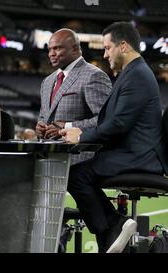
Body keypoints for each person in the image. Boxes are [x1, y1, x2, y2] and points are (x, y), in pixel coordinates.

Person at [61, 22, 168, 253]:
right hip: (133, 152)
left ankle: (113, 227)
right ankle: (112, 231)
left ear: (123, 46)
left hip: (141, 156)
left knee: (77, 175)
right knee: (80, 172)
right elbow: (112, 122)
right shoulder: (132, 73)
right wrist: (81, 133)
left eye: (108, 48)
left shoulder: (137, 75)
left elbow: (119, 124)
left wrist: (81, 138)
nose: (105, 53)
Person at [36, 28, 112, 163]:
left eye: (57, 48)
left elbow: (106, 120)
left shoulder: (94, 76)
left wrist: (66, 127)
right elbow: (44, 117)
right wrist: (40, 127)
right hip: (48, 158)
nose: (51, 54)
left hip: (80, 160)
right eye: (49, 49)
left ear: (75, 49)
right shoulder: (47, 81)